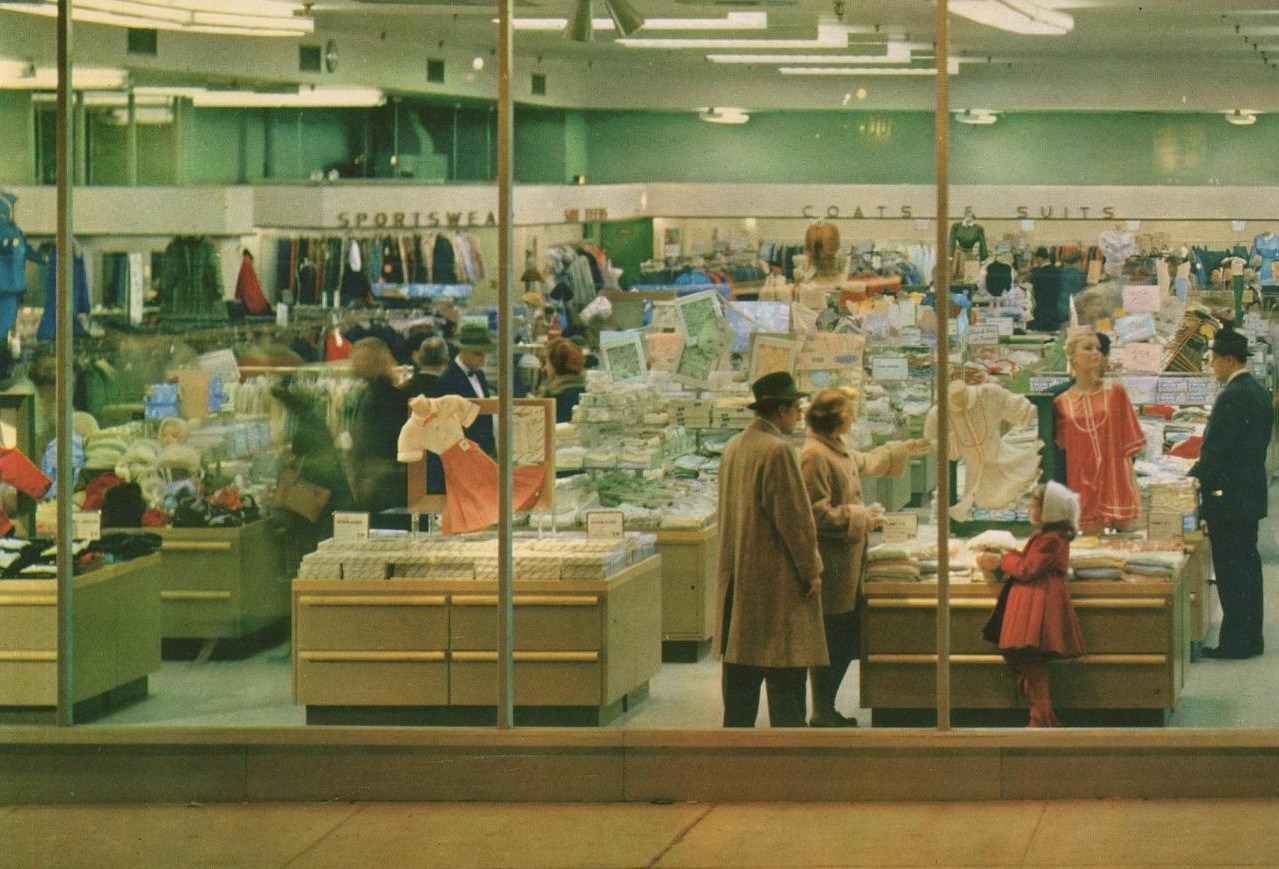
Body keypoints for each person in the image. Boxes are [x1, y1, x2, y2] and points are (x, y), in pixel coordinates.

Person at [800, 388, 931, 727]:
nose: (855, 417)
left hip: (847, 563)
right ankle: (821, 710)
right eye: (850, 412)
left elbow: (865, 461)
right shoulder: (815, 456)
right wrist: (862, 517)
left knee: (841, 636)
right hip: (832, 564)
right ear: (836, 418)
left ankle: (824, 708)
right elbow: (815, 514)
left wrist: (903, 448)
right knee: (833, 637)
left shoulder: (835, 448)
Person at [715, 371, 827, 728]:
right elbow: (796, 521)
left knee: (739, 692)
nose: (797, 417)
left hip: (739, 584)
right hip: (776, 586)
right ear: (781, 410)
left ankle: (735, 764)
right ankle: (788, 767)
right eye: (795, 409)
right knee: (786, 685)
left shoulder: (735, 447)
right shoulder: (778, 451)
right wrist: (812, 570)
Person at [1191, 325, 1274, 659]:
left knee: (1231, 571)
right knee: (1248, 568)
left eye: (1213, 360)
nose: (1212, 366)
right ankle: (1251, 637)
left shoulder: (1232, 395)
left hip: (1228, 498)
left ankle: (1236, 643)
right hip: (1249, 494)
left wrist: (1191, 478)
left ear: (1227, 359)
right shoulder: (1257, 391)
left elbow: (1217, 452)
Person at [977, 482, 1086, 728]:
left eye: (1036, 503)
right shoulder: (1047, 537)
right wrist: (1007, 556)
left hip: (1037, 607)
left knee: (1031, 663)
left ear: (1049, 509)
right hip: (1033, 604)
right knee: (1030, 663)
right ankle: (1041, 716)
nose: (1031, 507)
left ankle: (1041, 717)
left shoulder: (1051, 540)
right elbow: (1028, 561)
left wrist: (1001, 561)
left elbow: (1027, 568)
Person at [1054, 327, 1145, 534]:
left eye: (1098, 348)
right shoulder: (1061, 403)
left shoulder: (1115, 392)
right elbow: (1062, 446)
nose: (1096, 353)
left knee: (1128, 547)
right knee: (1092, 550)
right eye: (1088, 348)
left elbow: (1132, 443)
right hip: (1083, 482)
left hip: (1117, 479)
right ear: (1072, 357)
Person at [426, 322, 496, 493]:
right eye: (478, 354)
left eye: (485, 354)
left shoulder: (479, 375)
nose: (483, 359)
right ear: (462, 350)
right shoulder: (447, 380)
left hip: (482, 457)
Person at [347, 337, 410, 516]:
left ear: (376, 362)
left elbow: (382, 439)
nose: (355, 365)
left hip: (384, 483)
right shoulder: (370, 392)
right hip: (380, 480)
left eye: (361, 360)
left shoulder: (386, 396)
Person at [538, 338, 588, 424]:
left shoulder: (553, 397)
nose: (545, 368)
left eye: (547, 362)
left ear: (555, 366)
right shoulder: (587, 394)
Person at [1027, 247, 1064, 332]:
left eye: (1036, 258)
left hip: (1040, 310)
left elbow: (1031, 291)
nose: (1036, 261)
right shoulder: (1057, 271)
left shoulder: (1037, 273)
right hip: (1054, 311)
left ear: (1039, 258)